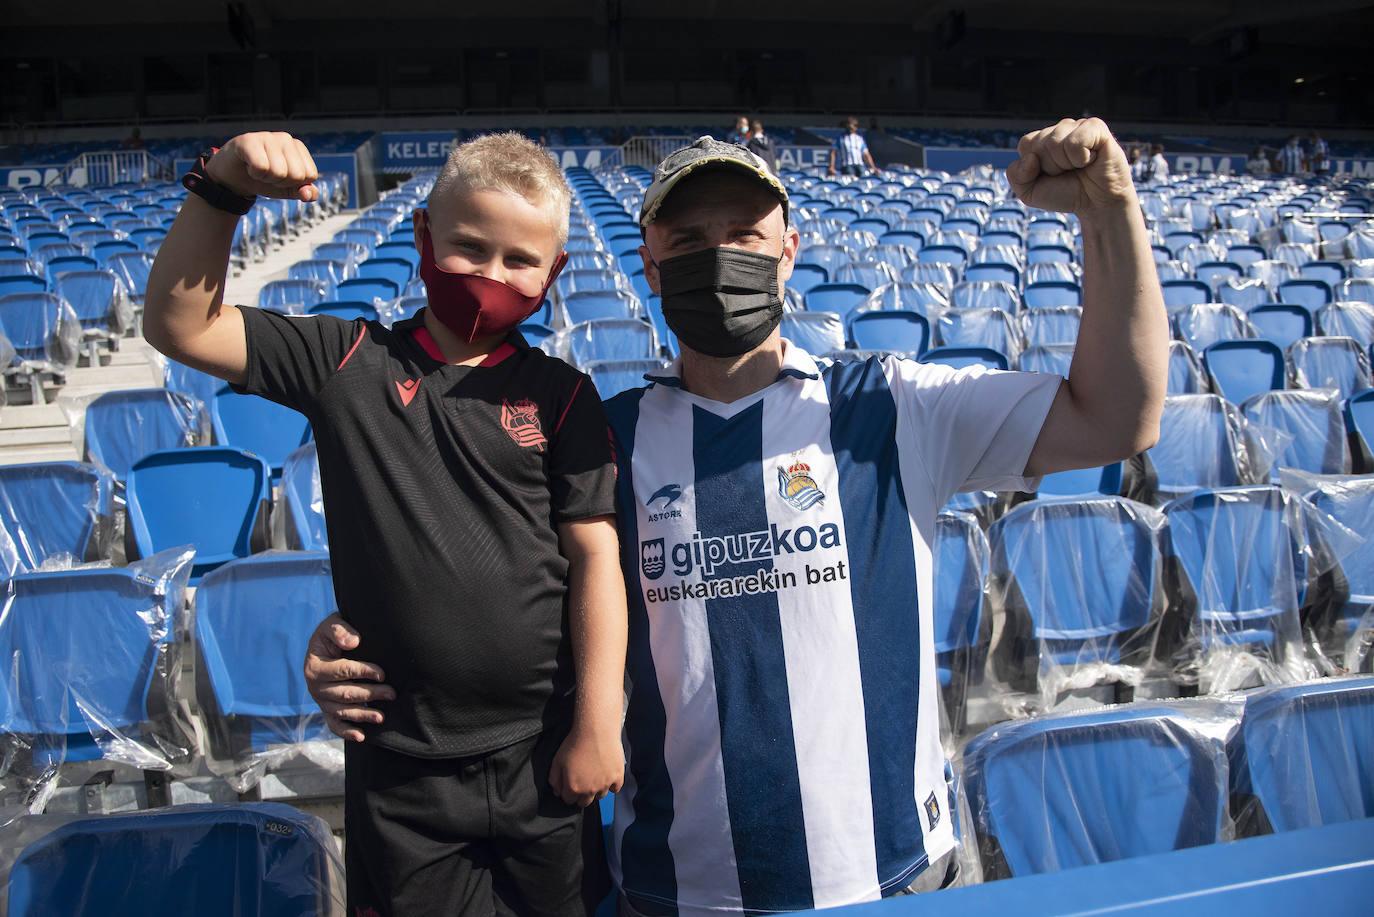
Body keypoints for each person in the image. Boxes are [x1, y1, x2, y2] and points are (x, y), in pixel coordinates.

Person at [307, 118, 1168, 914]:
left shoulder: (894, 406)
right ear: (649, 265)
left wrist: (1111, 213)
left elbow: (1116, 417)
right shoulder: (597, 440)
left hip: (890, 877)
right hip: (673, 889)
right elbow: (466, 584)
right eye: (687, 240)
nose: (718, 258)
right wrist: (353, 651)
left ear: (788, 251)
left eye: (745, 235)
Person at [144, 130, 627, 916]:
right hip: (401, 769)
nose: (490, 276)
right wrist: (223, 185)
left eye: (519, 260)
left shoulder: (563, 395)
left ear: (555, 273)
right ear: (423, 237)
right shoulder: (348, 360)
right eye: (469, 247)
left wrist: (599, 722)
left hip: (542, 754)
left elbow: (595, 560)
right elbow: (181, 326)